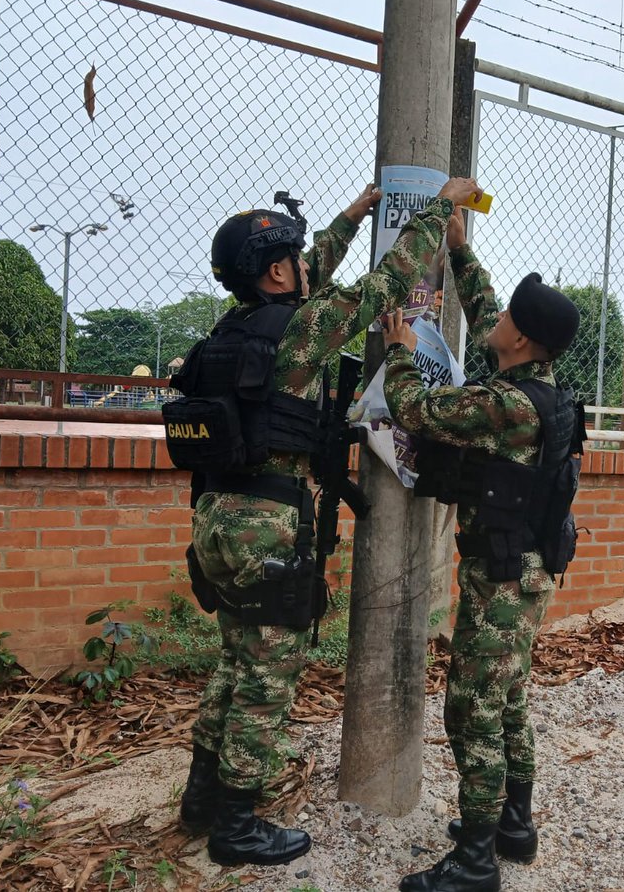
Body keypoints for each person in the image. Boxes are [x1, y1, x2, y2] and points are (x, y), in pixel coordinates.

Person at [172, 177, 483, 868]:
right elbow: (392, 278)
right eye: (296, 257)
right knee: (267, 677)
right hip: (267, 524)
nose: (308, 262)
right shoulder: (302, 327)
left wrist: (349, 216)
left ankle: (202, 797)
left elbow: (310, 277)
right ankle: (238, 824)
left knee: (234, 660)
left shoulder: (229, 334)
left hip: (216, 517)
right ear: (278, 271)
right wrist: (441, 206)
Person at [381, 211, 583, 892]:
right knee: (511, 695)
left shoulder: (505, 406)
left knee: (473, 708)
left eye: (506, 320)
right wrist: (462, 253)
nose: (492, 320)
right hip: (528, 566)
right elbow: (490, 306)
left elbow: (416, 410)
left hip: (501, 576)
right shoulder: (543, 387)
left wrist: (401, 347)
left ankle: (474, 861)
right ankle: (513, 827)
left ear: (520, 340)